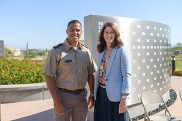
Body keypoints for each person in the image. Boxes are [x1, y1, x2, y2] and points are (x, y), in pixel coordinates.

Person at [42, 20, 97, 121]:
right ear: (67, 31)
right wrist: (56, 100)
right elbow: (48, 76)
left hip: (81, 97)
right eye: (71, 30)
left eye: (77, 30)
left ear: (81, 33)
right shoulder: (56, 51)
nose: (75, 32)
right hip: (63, 98)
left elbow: (90, 74)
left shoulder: (86, 52)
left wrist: (92, 94)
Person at [94, 22, 131, 121]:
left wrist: (124, 98)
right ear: (103, 34)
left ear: (115, 34)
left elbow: (127, 75)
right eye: (106, 32)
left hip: (116, 95)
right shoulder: (100, 51)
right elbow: (99, 72)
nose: (109, 35)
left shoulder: (121, 50)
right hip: (101, 93)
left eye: (111, 32)